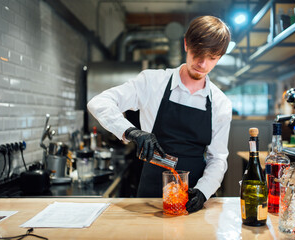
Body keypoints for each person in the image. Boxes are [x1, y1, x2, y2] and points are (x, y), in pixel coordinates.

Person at [87, 15, 232, 213]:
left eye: (212, 58)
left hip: (193, 199)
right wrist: (131, 132)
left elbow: (218, 158)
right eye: (198, 53)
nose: (203, 64)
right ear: (185, 44)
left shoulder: (220, 103)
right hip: (150, 196)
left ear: (219, 57)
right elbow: (99, 102)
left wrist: (204, 191)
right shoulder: (152, 82)